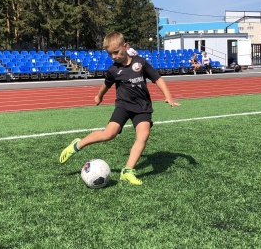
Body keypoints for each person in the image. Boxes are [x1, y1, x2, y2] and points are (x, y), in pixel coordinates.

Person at [59, 31, 181, 185]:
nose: (114, 56)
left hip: (142, 107)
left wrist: (168, 96)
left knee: (143, 135)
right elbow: (106, 85)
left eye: (116, 52)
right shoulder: (113, 70)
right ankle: (77, 144)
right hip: (123, 106)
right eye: (111, 54)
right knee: (109, 134)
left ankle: (127, 171)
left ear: (126, 46)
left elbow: (157, 79)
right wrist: (99, 96)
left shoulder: (140, 63)